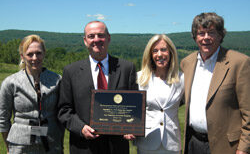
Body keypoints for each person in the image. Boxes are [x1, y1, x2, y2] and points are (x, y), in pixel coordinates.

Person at [57, 21, 138, 154]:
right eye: (91, 36)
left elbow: (134, 106)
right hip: (83, 147)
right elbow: (64, 110)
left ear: (109, 38)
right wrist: (81, 128)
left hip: (117, 147)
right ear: (85, 40)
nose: (96, 40)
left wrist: (131, 127)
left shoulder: (126, 68)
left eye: (101, 35)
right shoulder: (71, 71)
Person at [180, 12, 250, 154]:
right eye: (201, 33)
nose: (206, 38)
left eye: (211, 32)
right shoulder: (187, 63)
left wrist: (243, 149)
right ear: (195, 37)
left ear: (220, 35)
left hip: (226, 147)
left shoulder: (239, 63)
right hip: (193, 143)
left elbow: (248, 112)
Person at [0, 34, 64, 154]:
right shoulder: (10, 83)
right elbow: (3, 119)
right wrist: (9, 147)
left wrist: (59, 141)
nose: (35, 58)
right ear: (22, 57)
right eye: (30, 54)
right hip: (20, 146)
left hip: (51, 144)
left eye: (38, 53)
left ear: (44, 54)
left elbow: (62, 114)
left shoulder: (57, 80)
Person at [135, 34, 184, 154]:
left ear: (171, 52)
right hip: (147, 142)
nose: (159, 54)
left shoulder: (182, 78)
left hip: (172, 143)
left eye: (163, 50)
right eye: (155, 51)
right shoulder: (139, 78)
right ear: (150, 55)